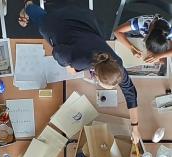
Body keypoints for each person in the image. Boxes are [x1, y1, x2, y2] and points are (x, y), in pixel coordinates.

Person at [18, 2, 140, 143]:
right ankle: (28, 7)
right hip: (59, 23)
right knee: (41, 18)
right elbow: (58, 52)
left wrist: (135, 127)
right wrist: (69, 66)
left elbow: (129, 91)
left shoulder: (116, 63)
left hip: (84, 19)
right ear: (96, 75)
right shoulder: (79, 61)